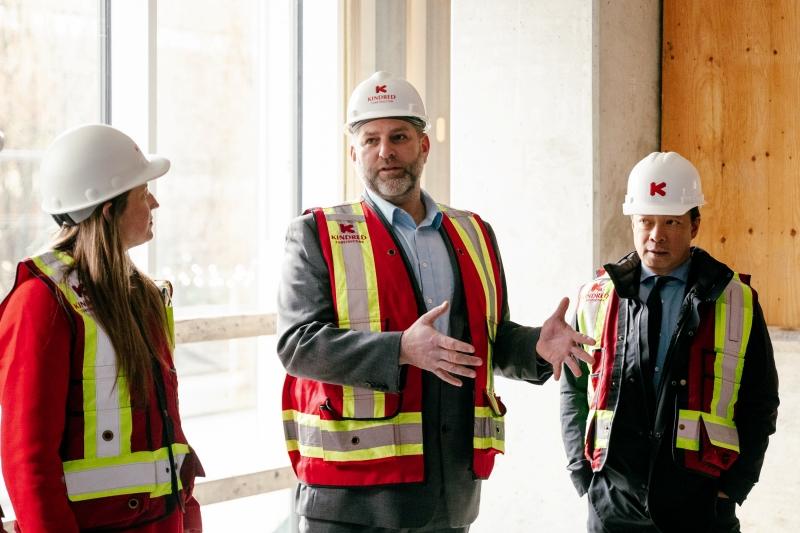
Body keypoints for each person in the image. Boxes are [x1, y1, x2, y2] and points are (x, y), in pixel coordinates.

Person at [277, 70, 595, 533]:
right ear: (353, 153)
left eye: (399, 137)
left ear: (423, 146)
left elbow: (488, 340)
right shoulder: (316, 234)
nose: (385, 152)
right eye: (371, 140)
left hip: (448, 496)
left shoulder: (474, 233)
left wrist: (535, 348)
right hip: (351, 501)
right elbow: (297, 344)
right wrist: (400, 350)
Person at [560, 151, 779, 532]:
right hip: (613, 505)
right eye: (646, 221)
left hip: (701, 504)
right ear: (632, 222)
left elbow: (760, 401)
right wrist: (584, 475)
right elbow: (574, 389)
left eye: (672, 222)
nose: (656, 235)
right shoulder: (596, 296)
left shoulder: (734, 299)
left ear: (695, 225)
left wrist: (734, 489)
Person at [0, 124, 203, 532]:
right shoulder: (41, 303)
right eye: (143, 194)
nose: (155, 203)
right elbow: (29, 461)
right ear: (109, 210)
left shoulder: (141, 296)